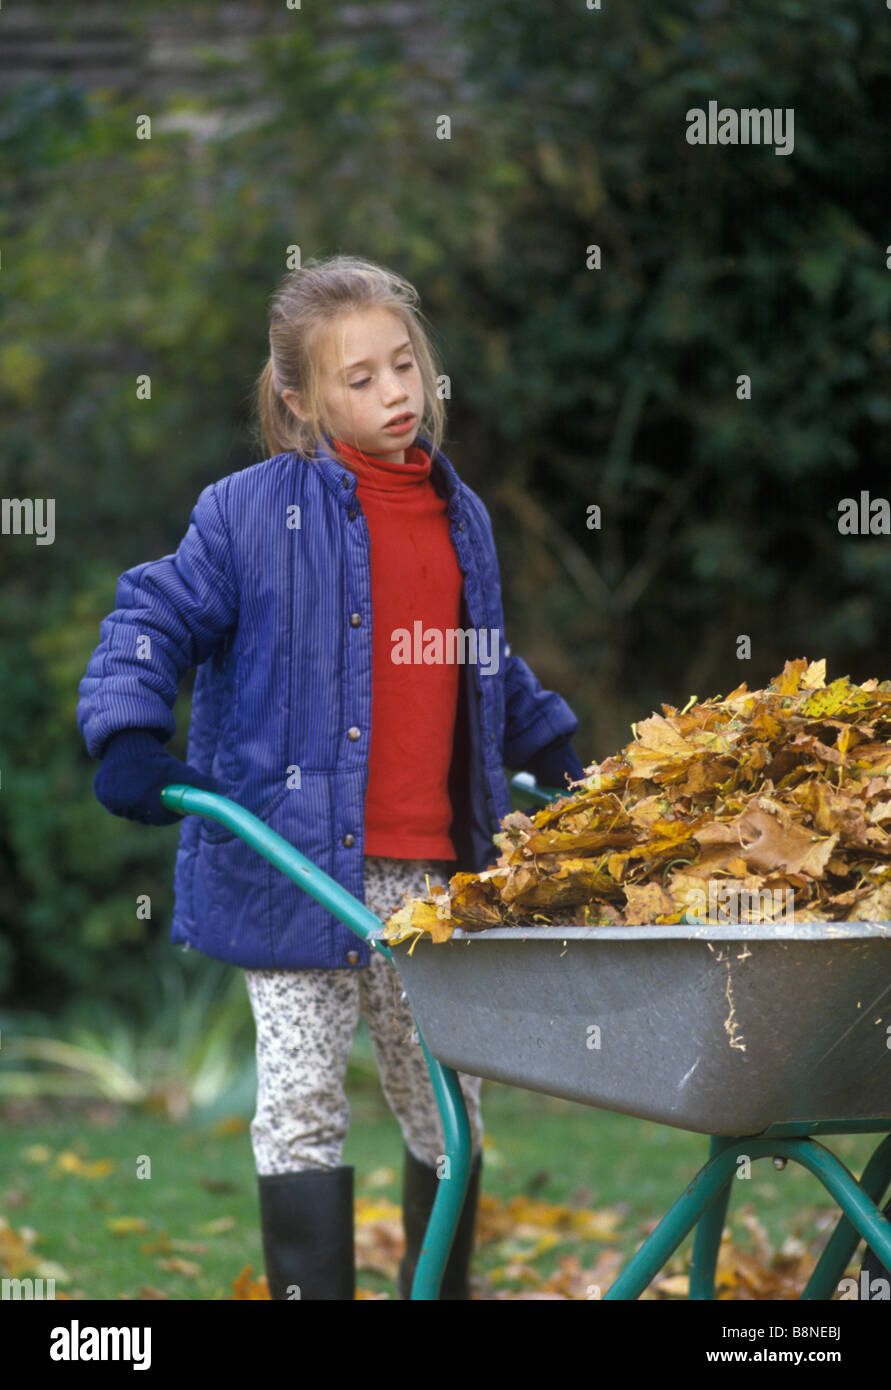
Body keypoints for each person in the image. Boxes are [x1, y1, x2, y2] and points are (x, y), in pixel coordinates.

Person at [77, 254, 585, 1300]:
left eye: (407, 365)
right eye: (362, 378)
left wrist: (552, 747)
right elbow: (151, 616)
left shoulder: (460, 515)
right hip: (293, 866)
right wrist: (128, 727)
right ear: (301, 399)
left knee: (446, 1104)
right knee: (302, 1101)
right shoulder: (246, 515)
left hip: (430, 876)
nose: (398, 391)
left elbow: (476, 659)